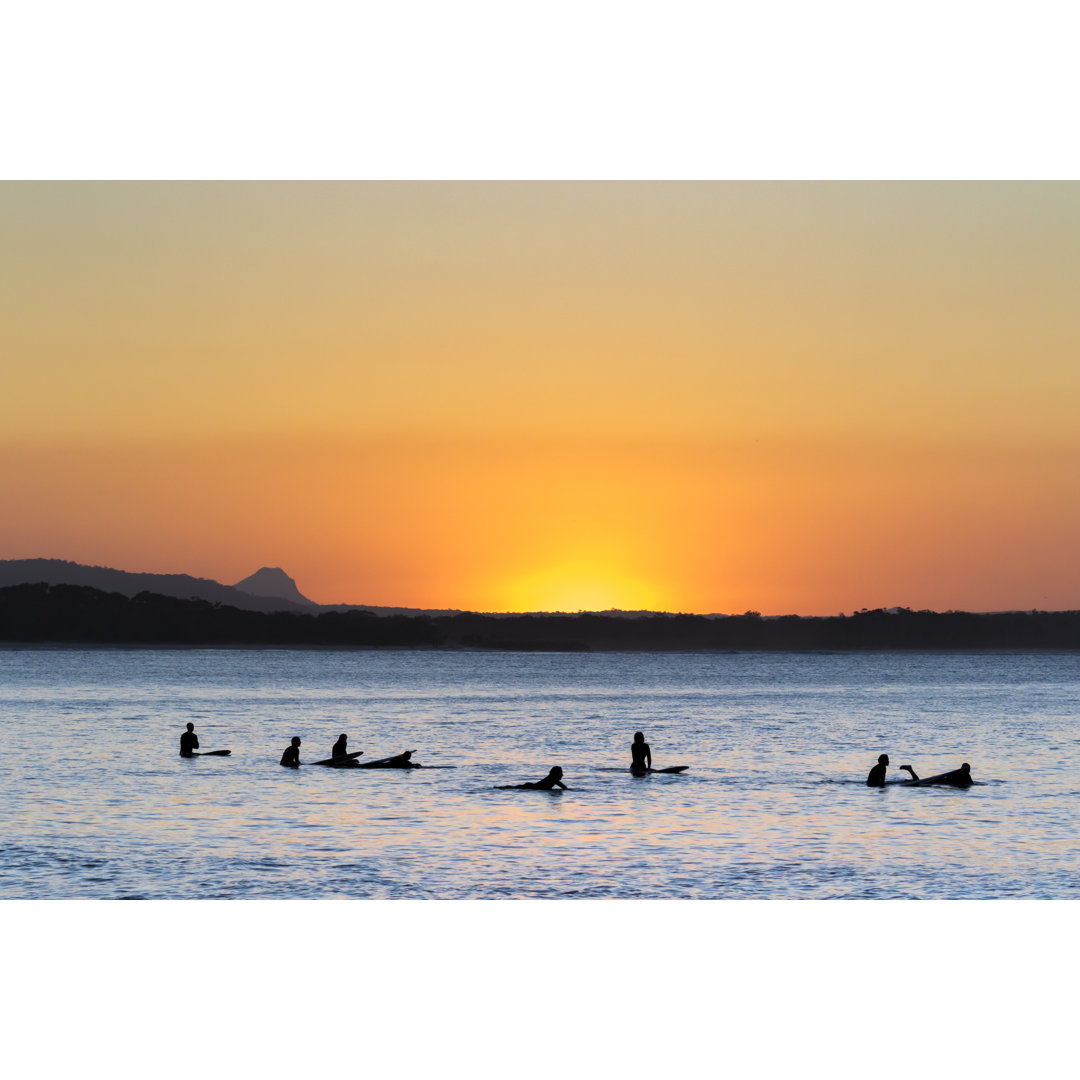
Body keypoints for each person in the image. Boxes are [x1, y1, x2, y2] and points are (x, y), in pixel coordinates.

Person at [898, 762, 973, 787]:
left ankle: (910, 770)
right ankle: (910, 770)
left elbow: (971, 783)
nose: (967, 771)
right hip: (939, 781)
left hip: (940, 782)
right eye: (965, 769)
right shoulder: (958, 774)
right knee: (917, 783)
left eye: (968, 770)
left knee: (917, 783)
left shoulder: (967, 776)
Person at [495, 766, 568, 790]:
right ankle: (499, 788)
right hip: (531, 787)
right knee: (513, 788)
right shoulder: (554, 780)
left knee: (514, 787)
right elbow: (565, 788)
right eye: (561, 773)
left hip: (531, 786)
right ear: (556, 774)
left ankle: (499, 788)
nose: (562, 775)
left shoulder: (551, 779)